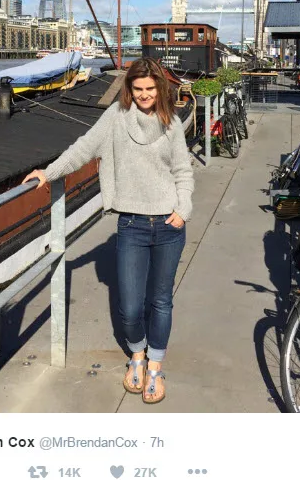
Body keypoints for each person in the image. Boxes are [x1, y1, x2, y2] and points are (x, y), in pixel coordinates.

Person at [22, 57, 194, 404]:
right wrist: (48, 173)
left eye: (150, 88)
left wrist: (183, 209)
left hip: (169, 224)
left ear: (160, 88)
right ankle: (137, 355)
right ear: (129, 88)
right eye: (138, 88)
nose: (144, 95)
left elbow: (182, 170)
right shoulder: (116, 118)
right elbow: (83, 149)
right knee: (130, 307)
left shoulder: (171, 122)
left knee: (161, 300)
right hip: (131, 224)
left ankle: (154, 367)